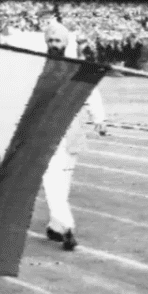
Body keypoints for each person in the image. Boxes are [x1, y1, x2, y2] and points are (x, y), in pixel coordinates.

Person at [41, 20, 106, 251]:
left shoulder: (78, 68)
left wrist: (99, 120)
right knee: (51, 182)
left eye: (57, 40)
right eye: (50, 40)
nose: (53, 44)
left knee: (61, 184)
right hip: (46, 134)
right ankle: (65, 225)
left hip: (71, 134)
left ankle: (58, 226)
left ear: (66, 42)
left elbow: (92, 95)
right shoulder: (39, 66)